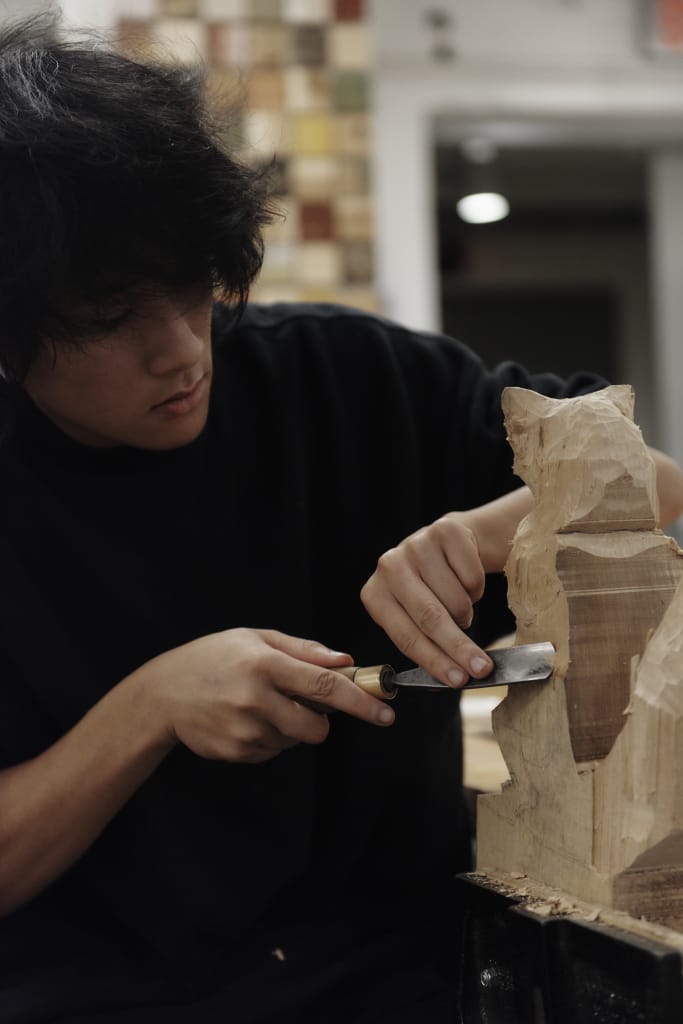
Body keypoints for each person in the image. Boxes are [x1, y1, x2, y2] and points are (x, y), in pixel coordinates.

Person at [1, 13, 682, 1024]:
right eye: (112, 321)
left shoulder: (350, 377)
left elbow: (656, 483)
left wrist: (488, 532)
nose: (182, 349)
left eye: (192, 289)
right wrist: (150, 708)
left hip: (405, 991)